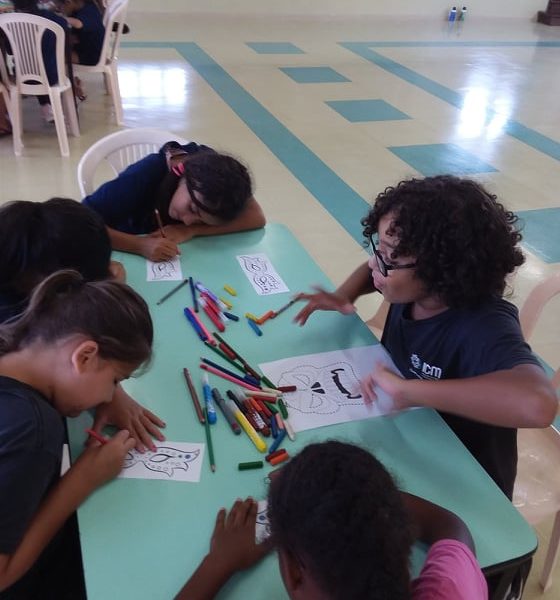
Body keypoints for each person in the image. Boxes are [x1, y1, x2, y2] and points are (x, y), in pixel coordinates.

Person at [294, 175, 557, 499]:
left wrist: (411, 391)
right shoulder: (414, 289)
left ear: (441, 269)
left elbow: (539, 404)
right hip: (407, 441)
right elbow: (372, 270)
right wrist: (344, 294)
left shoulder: (485, 325)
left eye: (390, 258)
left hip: (466, 483)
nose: (375, 263)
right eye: (379, 249)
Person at [0, 270, 153, 597]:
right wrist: (82, 480)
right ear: (84, 357)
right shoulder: (35, 433)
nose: (110, 397)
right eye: (115, 380)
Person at [177, 441, 488, 599]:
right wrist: (355, 493)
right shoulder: (451, 590)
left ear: (294, 572)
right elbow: (452, 528)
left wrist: (218, 563)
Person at [0, 198, 166, 451]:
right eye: (85, 289)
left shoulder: (30, 253)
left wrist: (110, 388)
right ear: (52, 284)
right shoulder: (31, 424)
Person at [82, 141, 267, 261]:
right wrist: (140, 245)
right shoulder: (144, 175)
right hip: (124, 248)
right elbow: (79, 224)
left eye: (201, 220)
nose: (187, 220)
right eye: (192, 209)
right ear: (186, 177)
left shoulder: (222, 177)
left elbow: (256, 217)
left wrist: (192, 230)